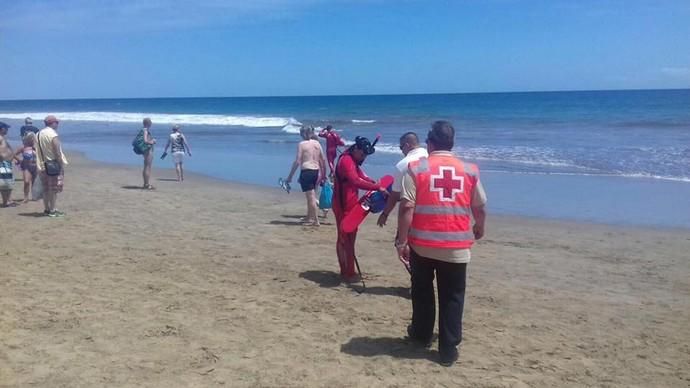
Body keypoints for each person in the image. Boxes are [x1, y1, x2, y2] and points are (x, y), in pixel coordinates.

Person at [396, 120, 487, 367]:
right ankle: (448, 349)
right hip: (456, 248)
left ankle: (421, 335)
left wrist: (401, 241)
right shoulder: (468, 170)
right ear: (451, 143)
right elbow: (479, 205)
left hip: (422, 245)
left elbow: (407, 206)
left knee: (423, 292)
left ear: (430, 142)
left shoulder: (416, 168)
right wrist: (479, 227)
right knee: (453, 297)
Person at [332, 136, 387, 281]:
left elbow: (361, 175)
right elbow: (355, 181)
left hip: (351, 204)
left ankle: (349, 270)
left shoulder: (353, 160)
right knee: (344, 238)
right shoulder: (346, 161)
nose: (363, 158)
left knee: (352, 237)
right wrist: (377, 187)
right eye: (362, 155)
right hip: (341, 205)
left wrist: (373, 182)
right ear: (356, 149)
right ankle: (346, 271)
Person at [377, 131, 429, 229]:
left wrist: (385, 214)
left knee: (405, 241)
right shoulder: (430, 156)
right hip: (432, 209)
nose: (401, 151)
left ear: (406, 145)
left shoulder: (403, 165)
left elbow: (395, 195)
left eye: (401, 147)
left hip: (413, 212)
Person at [284, 126, 326, 226]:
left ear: (302, 134)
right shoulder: (317, 144)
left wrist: (290, 176)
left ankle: (316, 220)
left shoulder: (302, 144)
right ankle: (309, 217)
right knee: (310, 196)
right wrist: (324, 174)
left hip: (306, 171)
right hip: (316, 171)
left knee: (311, 197)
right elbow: (323, 160)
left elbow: (297, 161)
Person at [36, 115, 69, 217]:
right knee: (53, 189)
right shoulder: (52, 134)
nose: (58, 124)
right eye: (57, 122)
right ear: (53, 123)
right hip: (52, 165)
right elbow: (57, 152)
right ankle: (53, 210)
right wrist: (61, 164)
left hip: (41, 165)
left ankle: (46, 209)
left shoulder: (38, 134)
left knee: (46, 189)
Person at [13, 132, 38, 203]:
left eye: (34, 138)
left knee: (34, 183)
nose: (33, 140)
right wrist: (19, 160)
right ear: (28, 139)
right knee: (26, 182)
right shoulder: (23, 148)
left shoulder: (37, 147)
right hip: (27, 167)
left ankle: (34, 196)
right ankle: (26, 197)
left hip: (36, 167)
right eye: (31, 138)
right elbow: (13, 154)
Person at [0, 122, 15, 207]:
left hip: (6, 163)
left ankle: (8, 200)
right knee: (5, 183)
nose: (7, 130)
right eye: (6, 128)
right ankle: (7, 201)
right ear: (2, 129)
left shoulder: (3, 138)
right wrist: (2, 157)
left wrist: (15, 158)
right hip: (3, 163)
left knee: (6, 183)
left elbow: (9, 149)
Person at [139, 118, 156, 189]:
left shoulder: (142, 130)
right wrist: (152, 141)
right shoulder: (145, 130)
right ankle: (147, 184)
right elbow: (145, 141)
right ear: (148, 123)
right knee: (147, 167)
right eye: (150, 122)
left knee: (146, 166)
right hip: (147, 150)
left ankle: (145, 183)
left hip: (144, 150)